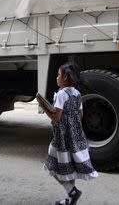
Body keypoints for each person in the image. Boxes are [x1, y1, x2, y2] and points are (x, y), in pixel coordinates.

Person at [38, 62, 98, 205]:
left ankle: (72, 192)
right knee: (69, 165)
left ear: (65, 77)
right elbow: (80, 115)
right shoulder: (77, 93)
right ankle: (71, 199)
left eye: (58, 74)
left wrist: (43, 105)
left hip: (62, 137)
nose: (57, 77)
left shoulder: (61, 94)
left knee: (52, 165)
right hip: (75, 135)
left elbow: (56, 117)